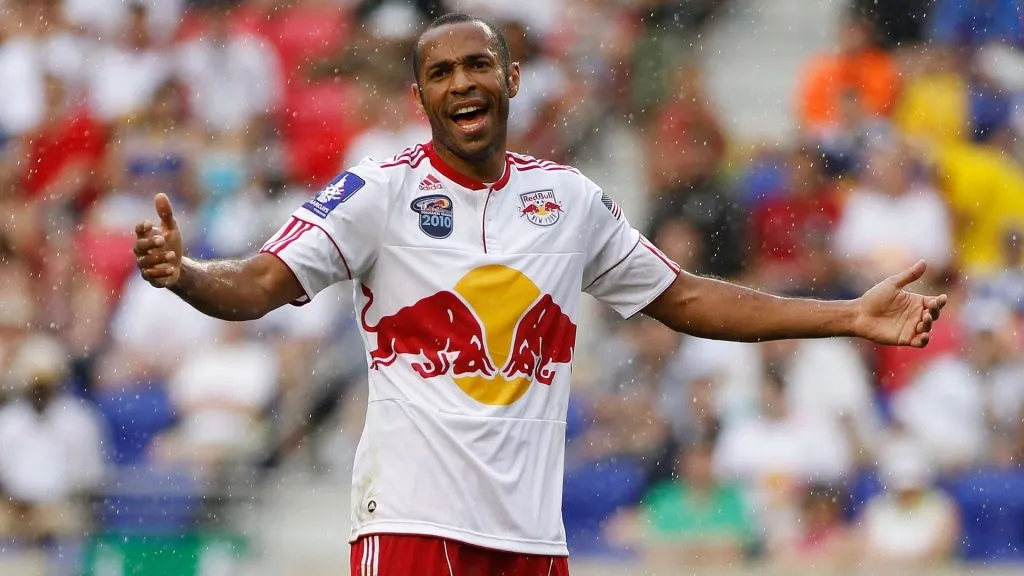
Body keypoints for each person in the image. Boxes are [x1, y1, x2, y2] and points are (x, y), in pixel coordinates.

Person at [131, 12, 947, 574]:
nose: (461, 84)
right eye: (440, 73)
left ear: (513, 78)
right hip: (414, 524)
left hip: (529, 537)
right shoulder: (378, 193)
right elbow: (263, 284)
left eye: (477, 65)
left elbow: (687, 299)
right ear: (420, 98)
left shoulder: (570, 200)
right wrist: (190, 274)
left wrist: (846, 314)